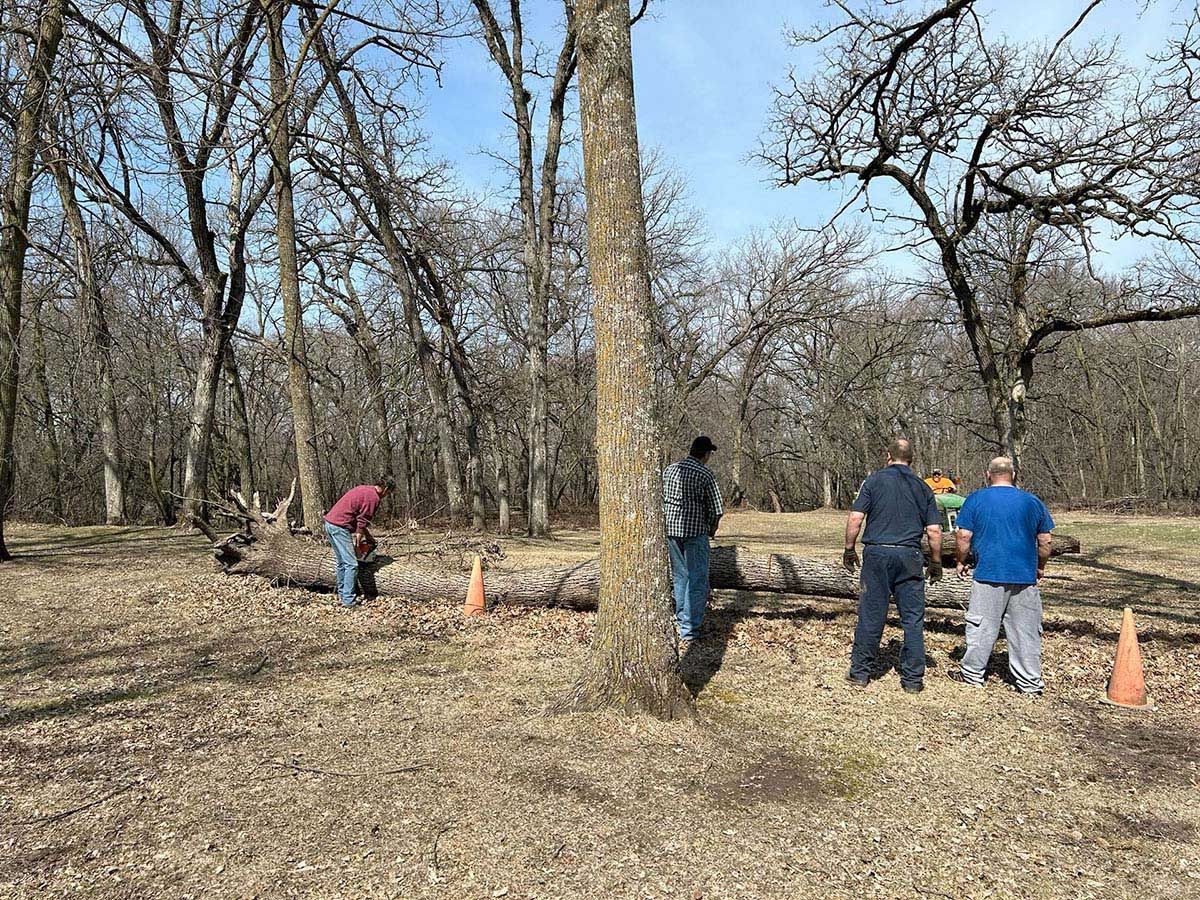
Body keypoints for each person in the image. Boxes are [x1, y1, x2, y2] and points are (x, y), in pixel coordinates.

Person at [843, 437, 942, 693]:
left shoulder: (873, 481)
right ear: (912, 459)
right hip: (909, 556)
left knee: (871, 614)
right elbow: (933, 531)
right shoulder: (923, 488)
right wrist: (936, 562)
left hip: (877, 554)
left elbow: (855, 518)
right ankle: (912, 680)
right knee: (912, 619)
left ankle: (860, 673)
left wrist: (849, 548)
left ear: (888, 456)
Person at [950, 457, 1054, 695]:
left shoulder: (975, 499)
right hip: (1024, 576)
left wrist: (960, 561)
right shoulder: (1032, 502)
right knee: (1025, 630)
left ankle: (972, 674)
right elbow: (1045, 540)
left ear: (988, 474)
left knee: (982, 626)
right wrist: (1040, 566)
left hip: (988, 573)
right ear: (1013, 474)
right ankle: (1029, 682)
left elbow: (964, 536)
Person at [663, 436, 723, 645]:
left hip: (671, 532)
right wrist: (712, 528)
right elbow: (717, 509)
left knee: (680, 577)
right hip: (695, 533)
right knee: (697, 580)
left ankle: (681, 621)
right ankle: (689, 629)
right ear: (705, 454)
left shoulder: (669, 470)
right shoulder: (705, 474)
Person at [323, 476, 395, 608]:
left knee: (342, 562)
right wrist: (358, 541)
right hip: (340, 527)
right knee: (352, 564)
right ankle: (348, 601)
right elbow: (362, 522)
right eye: (388, 493)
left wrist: (368, 537)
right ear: (386, 489)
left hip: (329, 524)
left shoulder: (364, 489)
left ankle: (342, 593)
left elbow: (359, 520)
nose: (387, 496)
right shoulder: (374, 498)